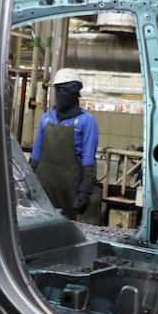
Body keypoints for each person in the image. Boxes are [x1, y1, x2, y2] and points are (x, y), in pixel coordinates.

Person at [29, 68, 99, 219]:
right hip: (44, 186)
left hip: (69, 189)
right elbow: (36, 154)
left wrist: (85, 191)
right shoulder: (46, 119)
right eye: (59, 90)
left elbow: (88, 159)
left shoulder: (86, 121)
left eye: (66, 90)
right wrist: (28, 181)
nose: (62, 94)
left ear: (76, 93)